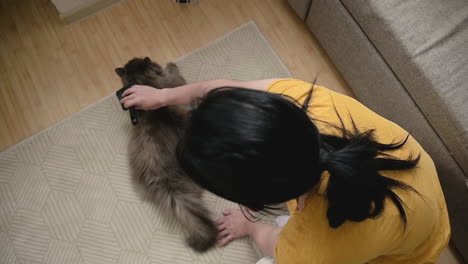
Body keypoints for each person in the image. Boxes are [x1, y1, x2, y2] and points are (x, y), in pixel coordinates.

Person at [121, 79, 450, 264]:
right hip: (424, 193)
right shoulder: (299, 97)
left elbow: (278, 245)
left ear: (252, 202)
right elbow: (224, 89)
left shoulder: (315, 249)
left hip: (409, 254)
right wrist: (165, 95)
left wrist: (250, 230)